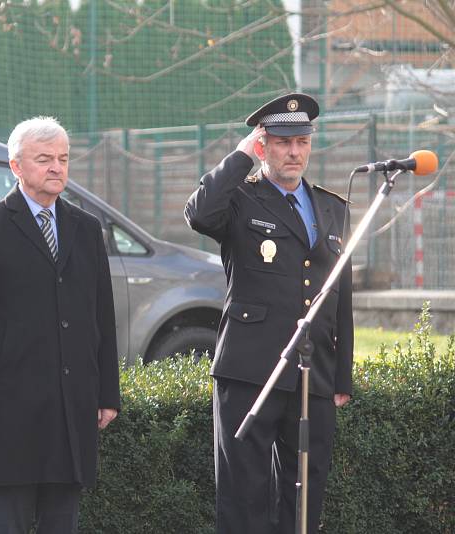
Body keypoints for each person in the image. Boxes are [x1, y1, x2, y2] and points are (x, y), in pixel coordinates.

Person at [184, 93, 353, 534]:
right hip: (249, 368)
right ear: (264, 145)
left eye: (301, 141)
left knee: (304, 494)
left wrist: (340, 375)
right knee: (243, 493)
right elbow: (200, 213)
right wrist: (241, 156)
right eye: (282, 142)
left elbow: (341, 296)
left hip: (310, 372)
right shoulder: (240, 198)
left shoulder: (333, 208)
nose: (294, 152)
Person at [0, 116, 120, 533]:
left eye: (63, 158)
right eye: (44, 159)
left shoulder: (85, 229)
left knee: (63, 519)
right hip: (11, 407)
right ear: (16, 166)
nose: (57, 168)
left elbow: (102, 318)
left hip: (71, 403)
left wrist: (107, 393)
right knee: (10, 518)